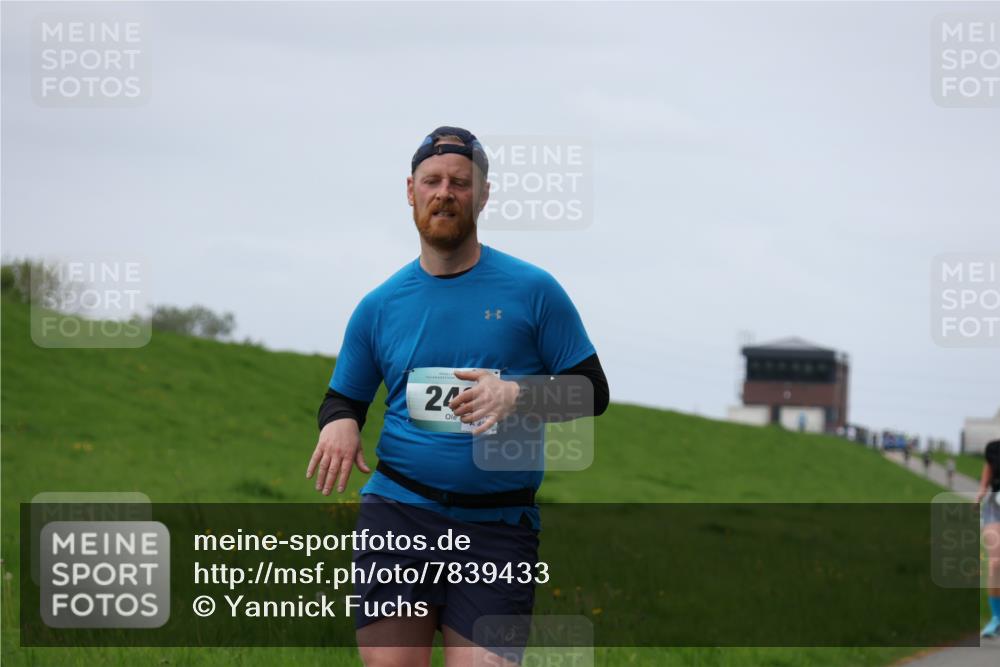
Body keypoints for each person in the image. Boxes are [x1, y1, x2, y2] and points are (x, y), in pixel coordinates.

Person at [305, 126, 609, 667]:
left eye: (460, 182)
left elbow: (591, 393)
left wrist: (517, 395)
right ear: (410, 191)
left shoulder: (533, 291)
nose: (445, 192)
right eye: (433, 181)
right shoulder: (379, 305)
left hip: (497, 529)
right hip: (399, 513)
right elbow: (343, 399)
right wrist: (339, 423)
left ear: (484, 194)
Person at [974, 439, 1000, 638]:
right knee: (995, 563)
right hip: (995, 507)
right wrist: (978, 498)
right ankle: (997, 617)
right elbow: (986, 479)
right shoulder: (993, 449)